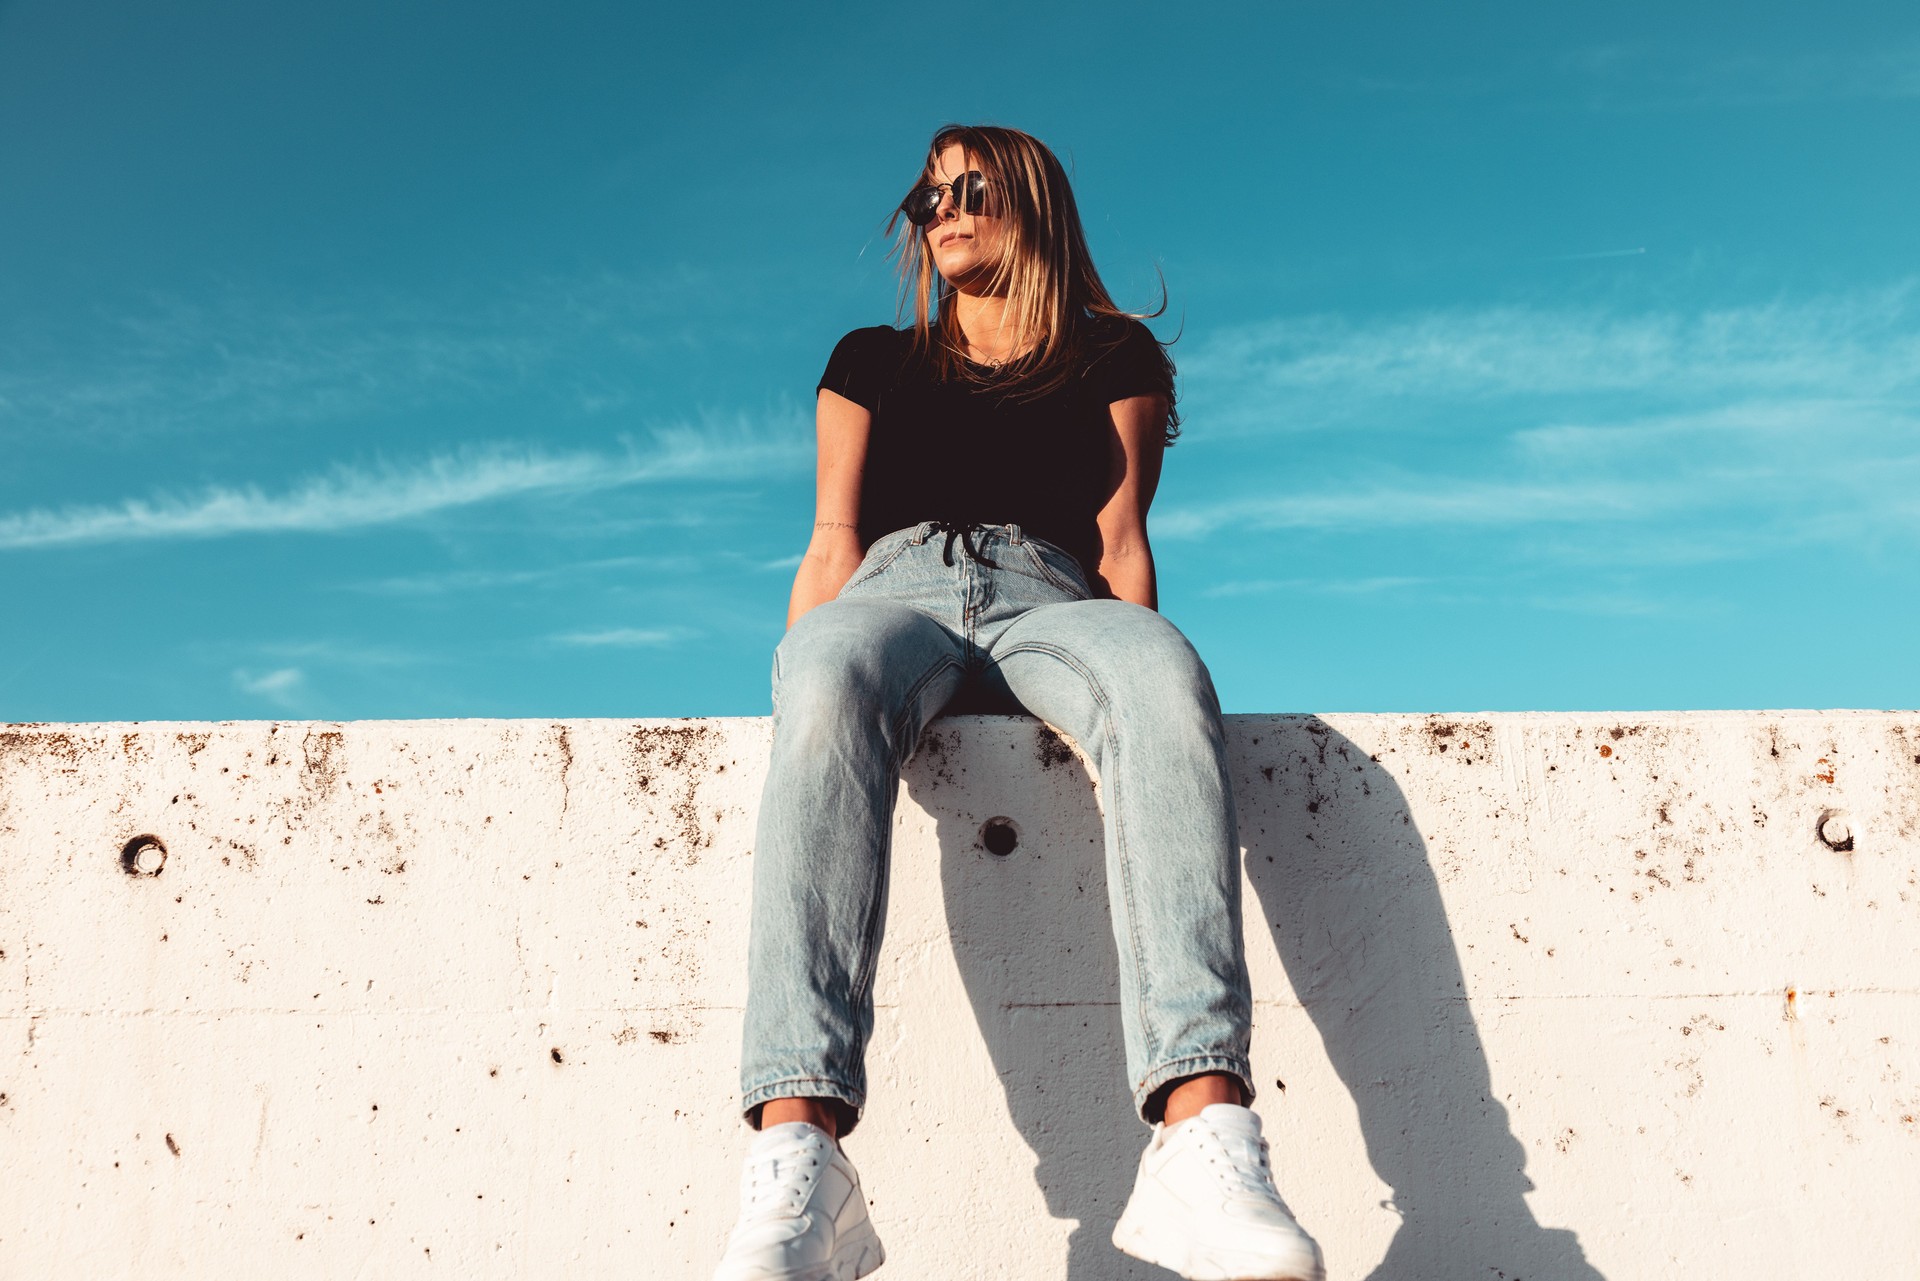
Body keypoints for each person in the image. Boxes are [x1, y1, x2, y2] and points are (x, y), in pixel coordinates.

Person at [713, 124, 1325, 1281]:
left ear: (1030, 203)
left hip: (1053, 595)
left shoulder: (1114, 361)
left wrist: (1148, 670)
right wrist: (807, 696)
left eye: (970, 188)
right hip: (894, 592)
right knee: (823, 667)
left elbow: (1121, 543)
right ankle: (802, 1161)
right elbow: (830, 544)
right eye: (925, 194)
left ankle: (1202, 1134)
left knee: (1159, 667)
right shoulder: (868, 362)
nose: (942, 208)